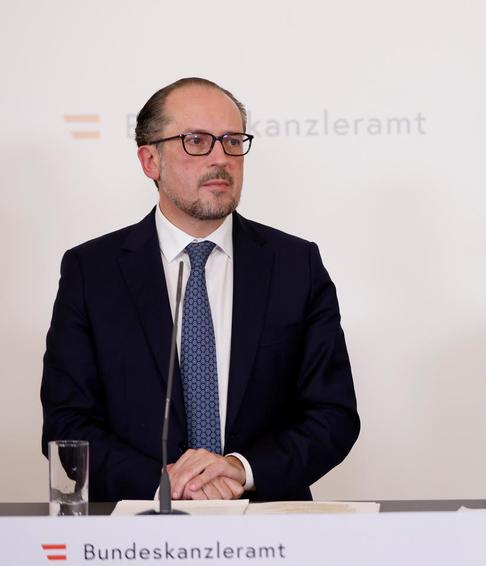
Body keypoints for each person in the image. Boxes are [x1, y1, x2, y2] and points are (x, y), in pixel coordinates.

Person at [41, 78, 360, 502]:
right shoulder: (91, 271)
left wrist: (240, 469)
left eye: (231, 141)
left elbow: (332, 415)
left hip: (269, 530)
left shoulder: (295, 265)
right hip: (134, 532)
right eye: (196, 141)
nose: (220, 158)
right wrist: (167, 483)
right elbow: (67, 424)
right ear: (150, 160)